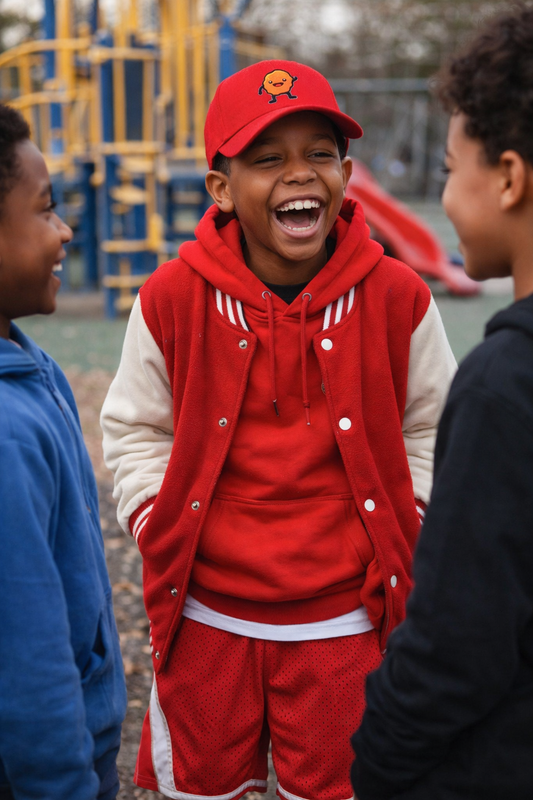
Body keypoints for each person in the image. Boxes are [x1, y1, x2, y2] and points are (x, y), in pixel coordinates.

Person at [101, 59, 455, 800]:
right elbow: (135, 429)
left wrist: (403, 521)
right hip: (205, 615)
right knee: (201, 789)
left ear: (347, 172)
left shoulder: (397, 297)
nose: (299, 175)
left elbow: (434, 426)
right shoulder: (171, 297)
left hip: (346, 625)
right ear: (222, 189)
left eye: (318, 155)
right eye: (268, 160)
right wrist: (160, 524)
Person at [351, 6, 533, 800]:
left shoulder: (502, 384)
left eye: (448, 169)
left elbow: (457, 643)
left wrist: (377, 759)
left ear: (507, 177)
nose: (443, 193)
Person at [0, 104, 126, 800]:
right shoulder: (4, 434)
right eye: (45, 211)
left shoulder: (26, 359)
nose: (65, 230)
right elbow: (27, 660)